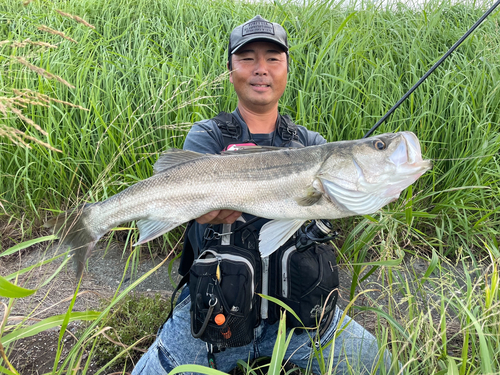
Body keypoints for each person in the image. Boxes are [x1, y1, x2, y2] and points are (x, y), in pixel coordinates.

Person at [133, 15, 393, 375]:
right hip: (214, 317)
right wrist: (197, 211)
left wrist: (378, 186)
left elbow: (343, 198)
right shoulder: (207, 137)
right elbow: (181, 197)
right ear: (230, 71)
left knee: (377, 362)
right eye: (247, 58)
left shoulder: (311, 144)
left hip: (300, 318)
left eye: (273, 58)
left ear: (286, 70)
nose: (261, 69)